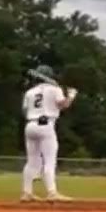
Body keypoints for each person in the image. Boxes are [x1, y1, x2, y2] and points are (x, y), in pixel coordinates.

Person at [21, 65, 77, 202]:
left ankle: (26, 193)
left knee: (32, 161)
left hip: (30, 125)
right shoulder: (55, 89)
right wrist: (71, 96)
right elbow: (63, 105)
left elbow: (24, 110)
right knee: (49, 161)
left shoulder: (30, 92)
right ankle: (52, 192)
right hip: (46, 125)